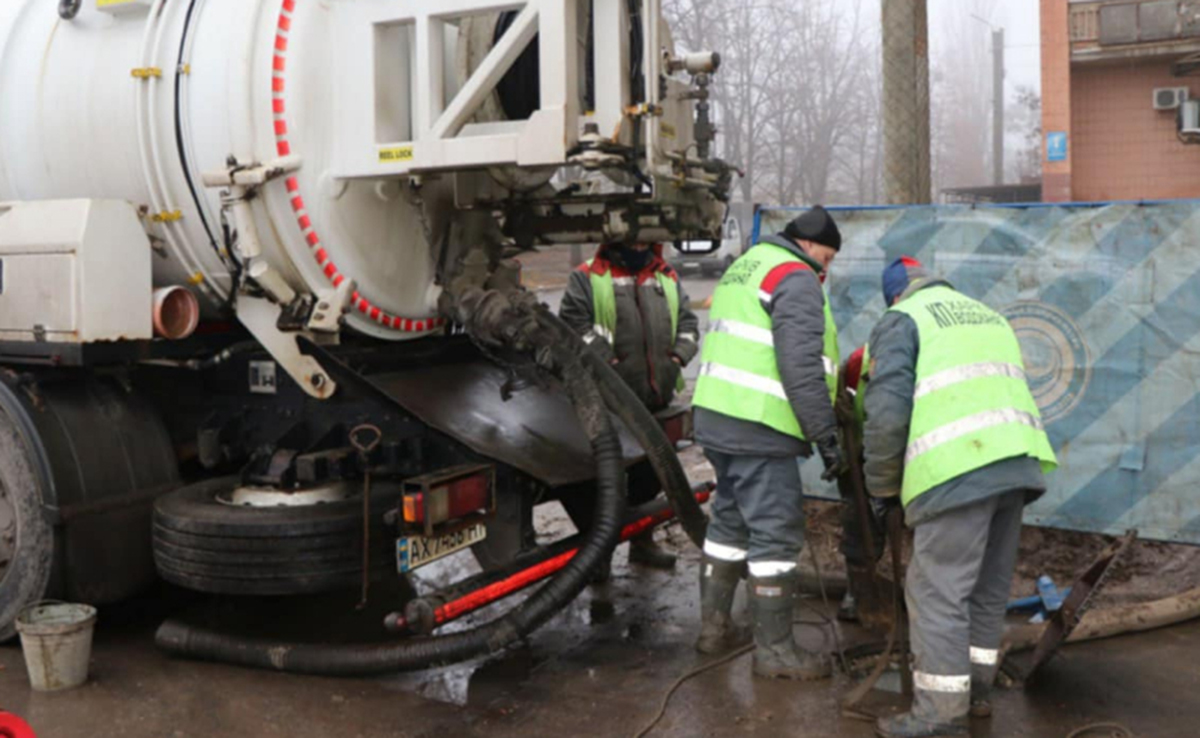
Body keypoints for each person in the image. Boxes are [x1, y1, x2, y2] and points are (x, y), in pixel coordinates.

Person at [864, 257, 1058, 738]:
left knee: (938, 592)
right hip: (1016, 463)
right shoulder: (985, 314)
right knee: (986, 590)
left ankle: (939, 715)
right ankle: (976, 694)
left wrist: (883, 488)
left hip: (957, 467)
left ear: (894, 295)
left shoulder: (902, 320)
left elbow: (886, 415)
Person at [691, 206, 848, 680]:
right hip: (760, 426)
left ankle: (713, 630)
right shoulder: (796, 277)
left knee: (728, 525)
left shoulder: (747, 266)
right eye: (827, 256)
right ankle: (775, 652)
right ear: (809, 246)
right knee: (775, 536)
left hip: (718, 417)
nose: (827, 268)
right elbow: (800, 367)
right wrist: (827, 437)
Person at [560, 241, 700, 569]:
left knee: (649, 477)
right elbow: (573, 326)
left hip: (655, 399)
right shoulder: (586, 278)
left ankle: (642, 542)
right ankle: (599, 559)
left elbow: (689, 324)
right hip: (607, 404)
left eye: (644, 240)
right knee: (603, 484)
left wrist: (678, 355)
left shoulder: (665, 276)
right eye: (632, 240)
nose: (639, 246)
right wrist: (609, 363)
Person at [834, 343, 886, 623]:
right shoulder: (859, 361)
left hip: (914, 450)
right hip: (863, 451)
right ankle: (859, 590)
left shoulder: (931, 357)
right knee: (858, 518)